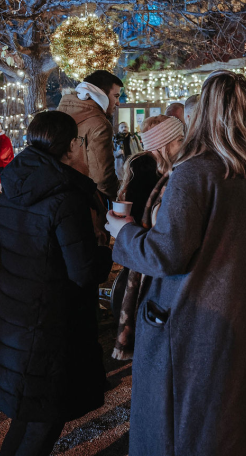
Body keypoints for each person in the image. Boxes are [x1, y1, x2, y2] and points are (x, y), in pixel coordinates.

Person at [106, 71, 246, 455]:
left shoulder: (194, 171)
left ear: (201, 111)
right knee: (236, 426)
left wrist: (122, 232)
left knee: (189, 432)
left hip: (196, 324)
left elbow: (165, 253)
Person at [0, 111, 112, 456]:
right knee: (45, 420)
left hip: (17, 310)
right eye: (81, 142)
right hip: (52, 324)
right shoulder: (65, 197)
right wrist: (109, 248)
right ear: (70, 147)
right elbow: (83, 271)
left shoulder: (19, 181)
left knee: (29, 412)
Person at [111, 114, 186, 361]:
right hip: (147, 253)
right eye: (179, 139)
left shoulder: (177, 169)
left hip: (149, 252)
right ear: (166, 143)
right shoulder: (146, 170)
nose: (184, 143)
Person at [57, 70, 124, 239]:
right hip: (85, 206)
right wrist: (117, 195)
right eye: (115, 96)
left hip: (55, 200)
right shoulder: (99, 124)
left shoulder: (59, 113)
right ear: (101, 94)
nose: (118, 103)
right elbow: (102, 176)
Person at [118, 115, 185, 226]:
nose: (184, 145)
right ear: (163, 144)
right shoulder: (145, 174)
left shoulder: (147, 168)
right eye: (180, 140)